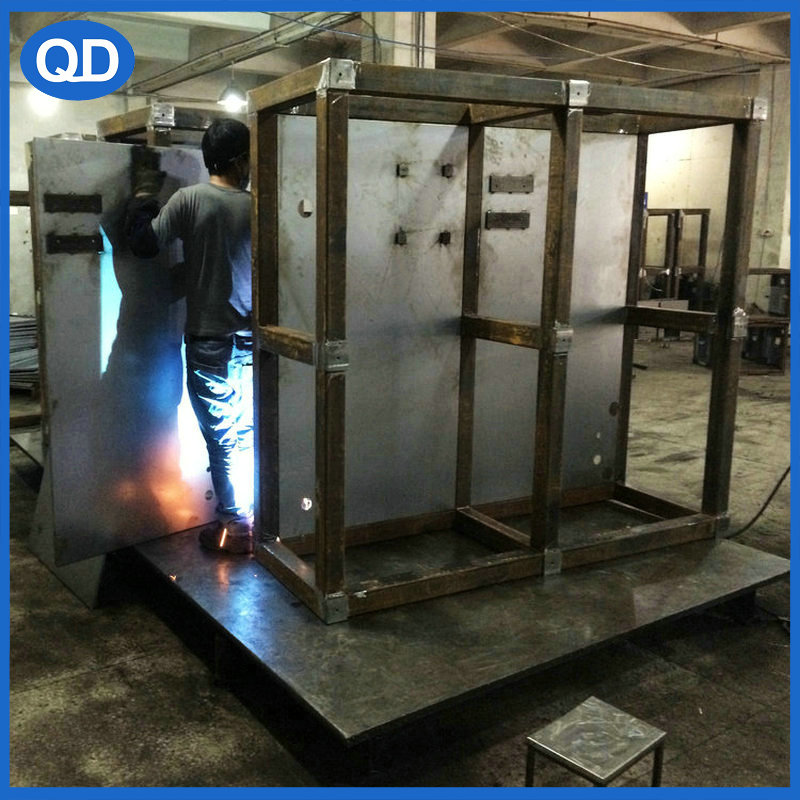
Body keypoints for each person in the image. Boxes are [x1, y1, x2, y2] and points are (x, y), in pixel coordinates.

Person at [126, 118, 255, 554]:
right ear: (238, 160)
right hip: (252, 341)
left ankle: (235, 526)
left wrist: (144, 193)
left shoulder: (190, 200)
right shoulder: (259, 206)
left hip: (209, 343)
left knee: (222, 437)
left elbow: (144, 244)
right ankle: (252, 517)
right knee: (248, 433)